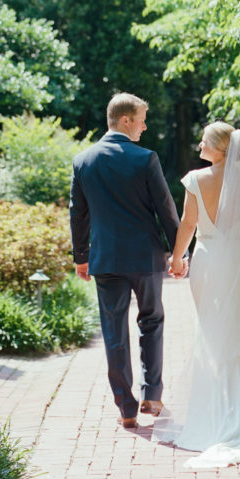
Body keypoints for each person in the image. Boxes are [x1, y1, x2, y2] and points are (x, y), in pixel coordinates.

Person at [159, 121, 240, 469]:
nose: (199, 143)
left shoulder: (196, 179)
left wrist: (177, 257)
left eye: (204, 140)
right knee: (237, 329)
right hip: (237, 260)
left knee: (211, 332)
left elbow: (188, 223)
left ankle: (212, 414)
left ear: (219, 147)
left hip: (208, 259)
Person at [69, 92, 181, 429]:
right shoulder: (146, 158)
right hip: (145, 256)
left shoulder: (83, 160)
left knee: (113, 331)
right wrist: (178, 255)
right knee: (152, 321)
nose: (145, 126)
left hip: (105, 259)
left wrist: (81, 257)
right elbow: (166, 209)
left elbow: (78, 214)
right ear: (126, 120)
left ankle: (126, 407)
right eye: (142, 119)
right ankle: (153, 394)